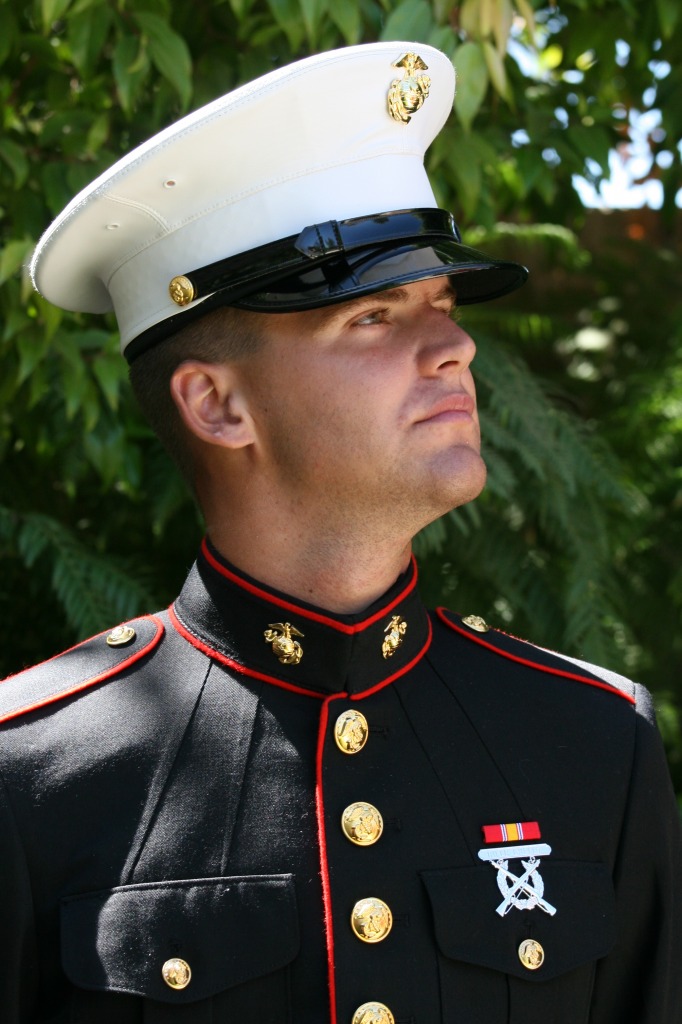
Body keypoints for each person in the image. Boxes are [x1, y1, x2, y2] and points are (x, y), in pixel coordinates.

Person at [1, 41, 680, 1024]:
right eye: (374, 315)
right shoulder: (30, 777)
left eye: (442, 304)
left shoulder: (594, 744)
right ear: (218, 404)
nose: (455, 345)